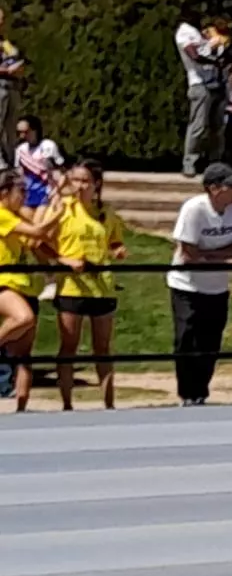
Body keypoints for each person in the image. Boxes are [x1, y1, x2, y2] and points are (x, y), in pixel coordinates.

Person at [167, 162, 232, 406]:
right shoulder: (193, 209)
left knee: (211, 340)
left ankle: (201, 391)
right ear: (214, 189)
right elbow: (188, 252)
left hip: (217, 286)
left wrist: (211, 256)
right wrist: (225, 257)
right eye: (231, 186)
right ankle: (186, 393)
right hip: (187, 285)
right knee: (186, 337)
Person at [53, 160, 127, 411]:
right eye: (76, 180)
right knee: (69, 346)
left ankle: (108, 404)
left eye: (86, 181)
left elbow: (115, 241)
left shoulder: (107, 212)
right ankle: (66, 404)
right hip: (72, 285)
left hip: (102, 285)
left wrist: (118, 250)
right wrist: (64, 260)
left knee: (102, 348)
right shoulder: (62, 208)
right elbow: (41, 242)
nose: (80, 186)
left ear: (96, 184)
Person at [0, 169, 64, 412]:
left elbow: (37, 240)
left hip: (25, 284)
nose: (24, 197)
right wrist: (57, 213)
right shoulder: (2, 215)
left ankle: (21, 408)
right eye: (21, 192)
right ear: (4, 193)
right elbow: (38, 231)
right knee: (22, 317)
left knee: (25, 355)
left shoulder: (16, 217)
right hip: (4, 282)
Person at [176, 18, 231, 177]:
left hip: (217, 82)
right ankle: (189, 162)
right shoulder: (185, 32)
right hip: (199, 84)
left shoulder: (202, 32)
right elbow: (194, 54)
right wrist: (214, 59)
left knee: (218, 127)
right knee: (198, 126)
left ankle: (216, 163)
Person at [13, 115, 64, 209]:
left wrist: (56, 190)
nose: (22, 136)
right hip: (27, 196)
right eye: (19, 133)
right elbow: (18, 173)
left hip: (46, 195)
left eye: (26, 132)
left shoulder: (48, 145)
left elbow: (60, 171)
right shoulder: (20, 149)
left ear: (35, 130)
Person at [0, 8, 23, 171]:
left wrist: (19, 68)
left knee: (10, 126)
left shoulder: (5, 42)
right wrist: (6, 71)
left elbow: (15, 57)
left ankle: (10, 160)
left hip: (12, 85)